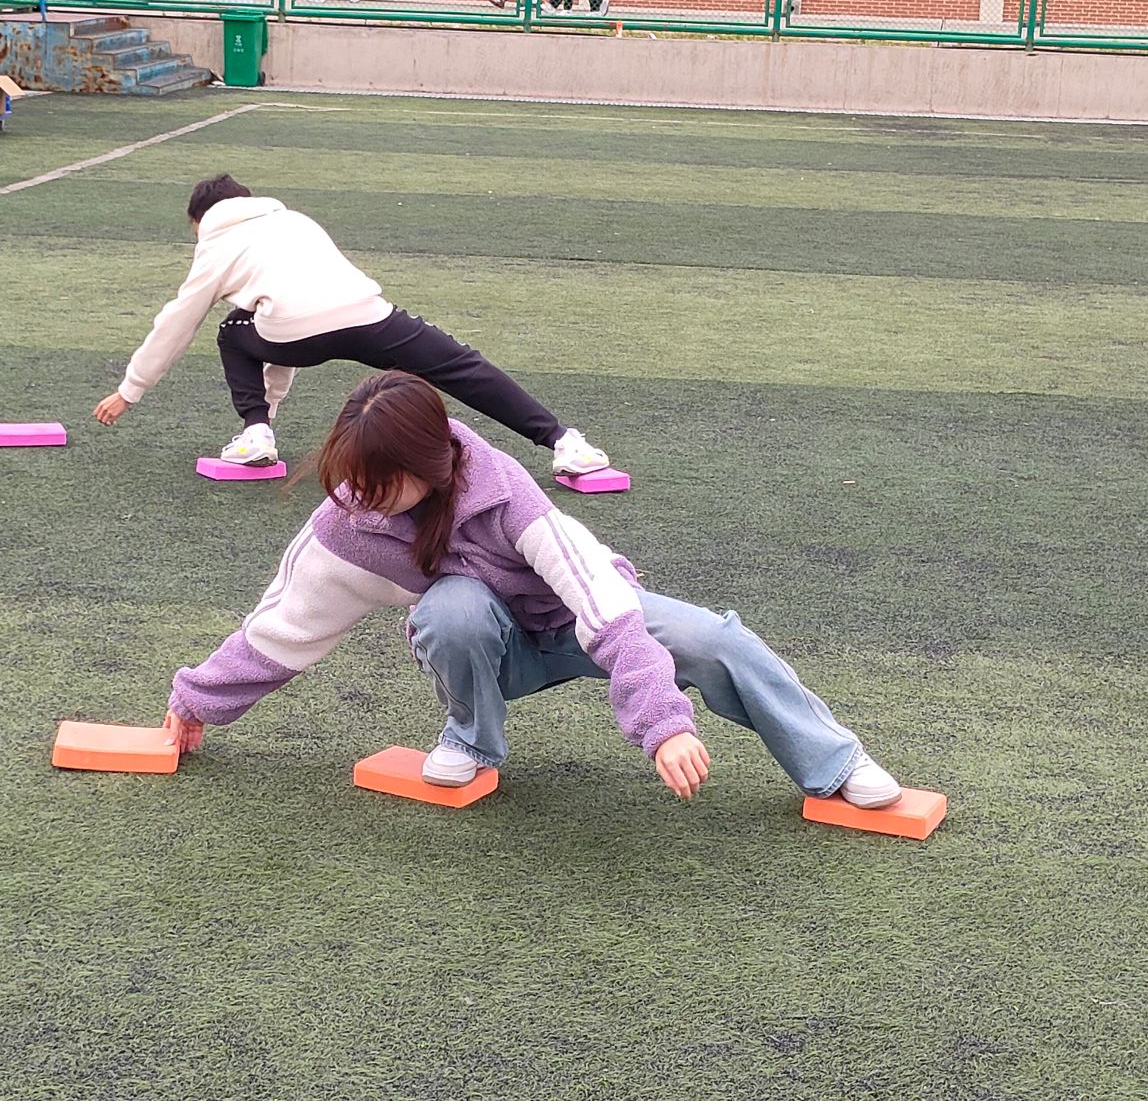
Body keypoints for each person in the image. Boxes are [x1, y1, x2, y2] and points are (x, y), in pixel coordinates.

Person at [158, 371, 906, 808]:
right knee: (450, 610)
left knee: (714, 640)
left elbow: (605, 607)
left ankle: (835, 763)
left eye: (383, 480)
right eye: (355, 476)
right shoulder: (350, 522)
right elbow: (286, 623)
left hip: (577, 627)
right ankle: (471, 740)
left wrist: (663, 722)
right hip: (498, 652)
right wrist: (198, 699)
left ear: (432, 466)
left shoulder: (506, 494)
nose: (365, 495)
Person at [94, 175, 613, 478]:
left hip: (290, 332)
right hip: (365, 314)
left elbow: (178, 321)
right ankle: (566, 443)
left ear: (201, 218)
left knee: (235, 331)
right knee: (461, 367)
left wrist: (130, 390)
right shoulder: (294, 220)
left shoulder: (215, 244)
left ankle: (255, 435)